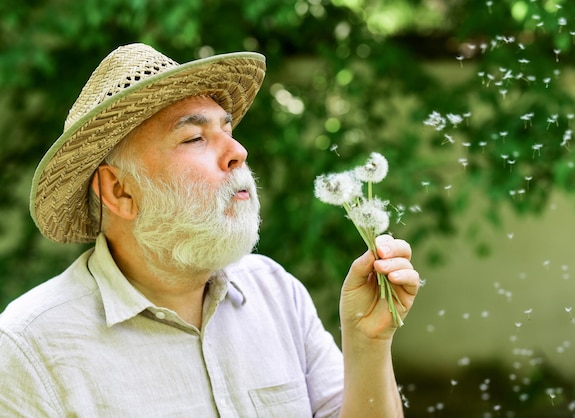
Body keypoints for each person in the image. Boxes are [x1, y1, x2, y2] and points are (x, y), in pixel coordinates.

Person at [0, 43, 420, 417]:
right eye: (194, 138)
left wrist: (367, 343)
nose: (238, 152)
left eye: (228, 129)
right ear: (119, 190)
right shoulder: (29, 348)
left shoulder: (277, 292)